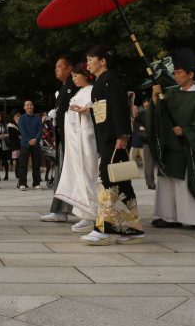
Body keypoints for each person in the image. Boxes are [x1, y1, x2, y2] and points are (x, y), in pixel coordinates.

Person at [147, 49, 195, 230]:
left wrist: (187, 131)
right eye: (175, 73)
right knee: (168, 184)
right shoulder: (171, 95)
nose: (176, 76)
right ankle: (170, 217)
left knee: (188, 184)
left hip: (188, 148)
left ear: (191, 74)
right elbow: (159, 115)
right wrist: (155, 97)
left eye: (179, 73)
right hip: (171, 148)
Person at [81, 45, 143, 246]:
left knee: (107, 179)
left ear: (103, 60)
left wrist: (122, 134)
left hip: (113, 138)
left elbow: (119, 107)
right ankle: (133, 229)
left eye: (91, 59)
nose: (88, 63)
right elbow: (102, 110)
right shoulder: (101, 81)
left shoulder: (111, 79)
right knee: (121, 181)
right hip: (105, 136)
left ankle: (103, 229)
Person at [54, 63, 99, 233]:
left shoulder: (93, 90)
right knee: (80, 175)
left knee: (88, 174)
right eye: (72, 76)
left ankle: (93, 213)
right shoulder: (80, 91)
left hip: (87, 138)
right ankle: (84, 214)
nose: (73, 79)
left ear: (86, 75)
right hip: (75, 139)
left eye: (75, 76)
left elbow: (99, 108)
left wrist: (86, 110)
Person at [41, 57, 78, 220]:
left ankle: (66, 210)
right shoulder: (64, 87)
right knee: (61, 173)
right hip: (63, 137)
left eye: (59, 66)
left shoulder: (73, 86)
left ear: (70, 68)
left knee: (66, 174)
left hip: (72, 137)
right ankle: (60, 210)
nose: (56, 69)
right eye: (55, 67)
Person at [17, 100, 43, 191]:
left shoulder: (38, 118)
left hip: (36, 144)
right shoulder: (21, 118)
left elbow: (40, 130)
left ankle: (36, 183)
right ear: (24, 107)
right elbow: (22, 130)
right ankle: (22, 183)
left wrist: (36, 139)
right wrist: (29, 140)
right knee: (23, 164)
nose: (29, 107)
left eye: (31, 105)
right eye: (27, 105)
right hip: (25, 144)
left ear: (33, 106)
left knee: (36, 164)